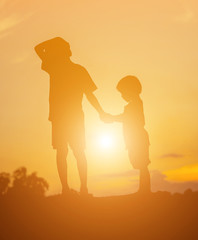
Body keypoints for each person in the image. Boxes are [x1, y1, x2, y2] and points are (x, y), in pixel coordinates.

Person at [34, 37, 105, 196]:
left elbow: (90, 95)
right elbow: (38, 48)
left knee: (75, 152)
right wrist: (55, 41)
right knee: (65, 152)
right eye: (66, 47)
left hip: (72, 117)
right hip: (62, 116)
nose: (69, 49)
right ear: (63, 51)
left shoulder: (72, 69)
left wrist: (100, 111)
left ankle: (82, 188)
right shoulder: (55, 67)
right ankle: (68, 188)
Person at [102, 75, 151, 194]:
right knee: (140, 164)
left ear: (130, 90)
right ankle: (143, 189)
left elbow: (127, 118)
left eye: (123, 92)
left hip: (138, 138)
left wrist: (112, 118)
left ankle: (144, 190)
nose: (122, 96)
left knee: (142, 164)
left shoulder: (135, 104)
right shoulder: (135, 104)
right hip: (135, 139)